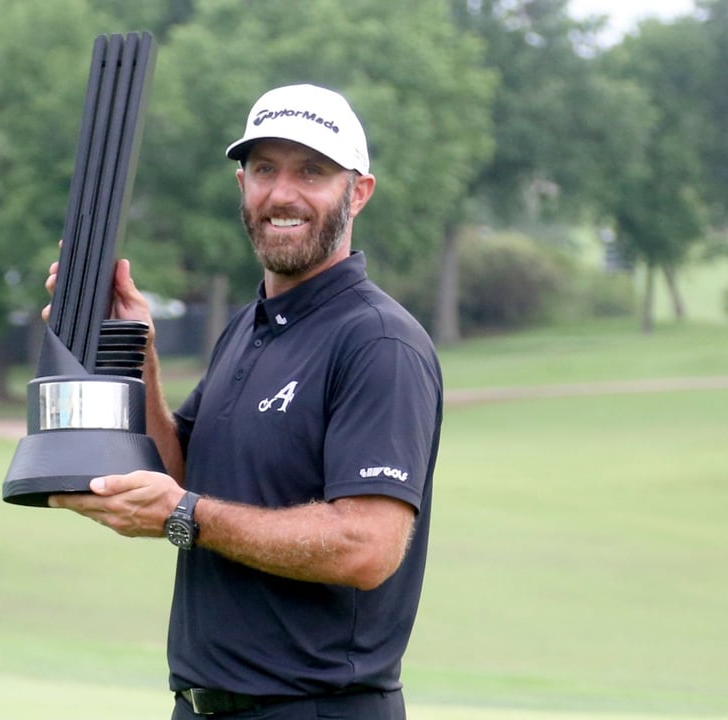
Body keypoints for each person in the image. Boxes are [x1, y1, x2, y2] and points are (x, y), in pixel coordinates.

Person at [42, 83, 443, 719]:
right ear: (242, 185)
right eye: (265, 169)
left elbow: (368, 546)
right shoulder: (251, 326)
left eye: (311, 171)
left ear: (358, 192)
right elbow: (177, 478)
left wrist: (187, 517)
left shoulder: (379, 341)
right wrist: (136, 347)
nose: (282, 193)